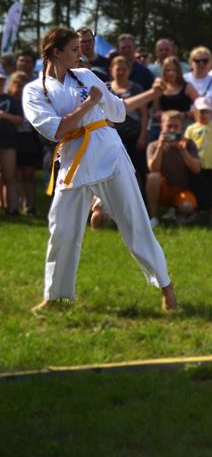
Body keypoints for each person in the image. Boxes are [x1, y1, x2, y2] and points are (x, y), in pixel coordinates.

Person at [22, 27, 176, 312]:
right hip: (73, 161)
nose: (80, 55)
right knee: (62, 230)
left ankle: (167, 287)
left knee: (135, 222)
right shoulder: (34, 90)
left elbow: (118, 111)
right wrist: (89, 105)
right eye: (73, 50)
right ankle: (55, 295)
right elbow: (55, 130)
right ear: (56, 52)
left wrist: (109, 97)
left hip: (109, 153)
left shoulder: (86, 75)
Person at [106, 55, 162, 187]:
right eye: (118, 69)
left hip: (134, 137)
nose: (121, 72)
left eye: (124, 69)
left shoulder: (136, 88)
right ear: (111, 70)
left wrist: (142, 137)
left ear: (129, 71)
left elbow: (144, 114)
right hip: (113, 137)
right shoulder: (106, 88)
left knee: (139, 169)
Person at [146, 111, 201, 226]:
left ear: (181, 128)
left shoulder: (188, 144)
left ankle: (176, 212)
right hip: (163, 190)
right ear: (162, 126)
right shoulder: (153, 145)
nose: (172, 130)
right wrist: (160, 148)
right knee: (152, 177)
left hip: (182, 190)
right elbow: (153, 169)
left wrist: (183, 151)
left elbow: (196, 169)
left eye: (176, 127)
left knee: (187, 207)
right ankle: (153, 216)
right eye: (169, 126)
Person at [184, 97, 212, 223]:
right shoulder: (191, 129)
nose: (203, 114)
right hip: (196, 166)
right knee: (196, 189)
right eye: (201, 111)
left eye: (206, 112)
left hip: (210, 165)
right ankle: (197, 212)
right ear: (195, 112)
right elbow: (185, 145)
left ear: (211, 113)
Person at [10, 72, 42, 215]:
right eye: (18, 84)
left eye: (24, 84)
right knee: (12, 174)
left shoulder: (32, 101)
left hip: (29, 141)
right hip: (12, 140)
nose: (21, 87)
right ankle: (12, 205)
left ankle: (30, 206)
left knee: (28, 174)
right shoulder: (8, 101)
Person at [154, 56, 197, 139]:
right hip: (166, 128)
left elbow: (199, 109)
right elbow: (155, 112)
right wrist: (161, 115)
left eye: (174, 70)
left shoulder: (188, 87)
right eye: (168, 70)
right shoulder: (160, 88)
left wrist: (184, 115)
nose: (171, 73)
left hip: (184, 127)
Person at [184, 46, 212, 123]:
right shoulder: (183, 80)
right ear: (191, 63)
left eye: (205, 61)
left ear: (210, 63)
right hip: (187, 124)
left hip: (210, 125)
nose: (201, 63)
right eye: (197, 61)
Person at [0, 73, 23, 215]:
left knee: (10, 175)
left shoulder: (11, 100)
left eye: (2, 80)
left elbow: (20, 120)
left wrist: (4, 115)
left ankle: (12, 208)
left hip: (8, 142)